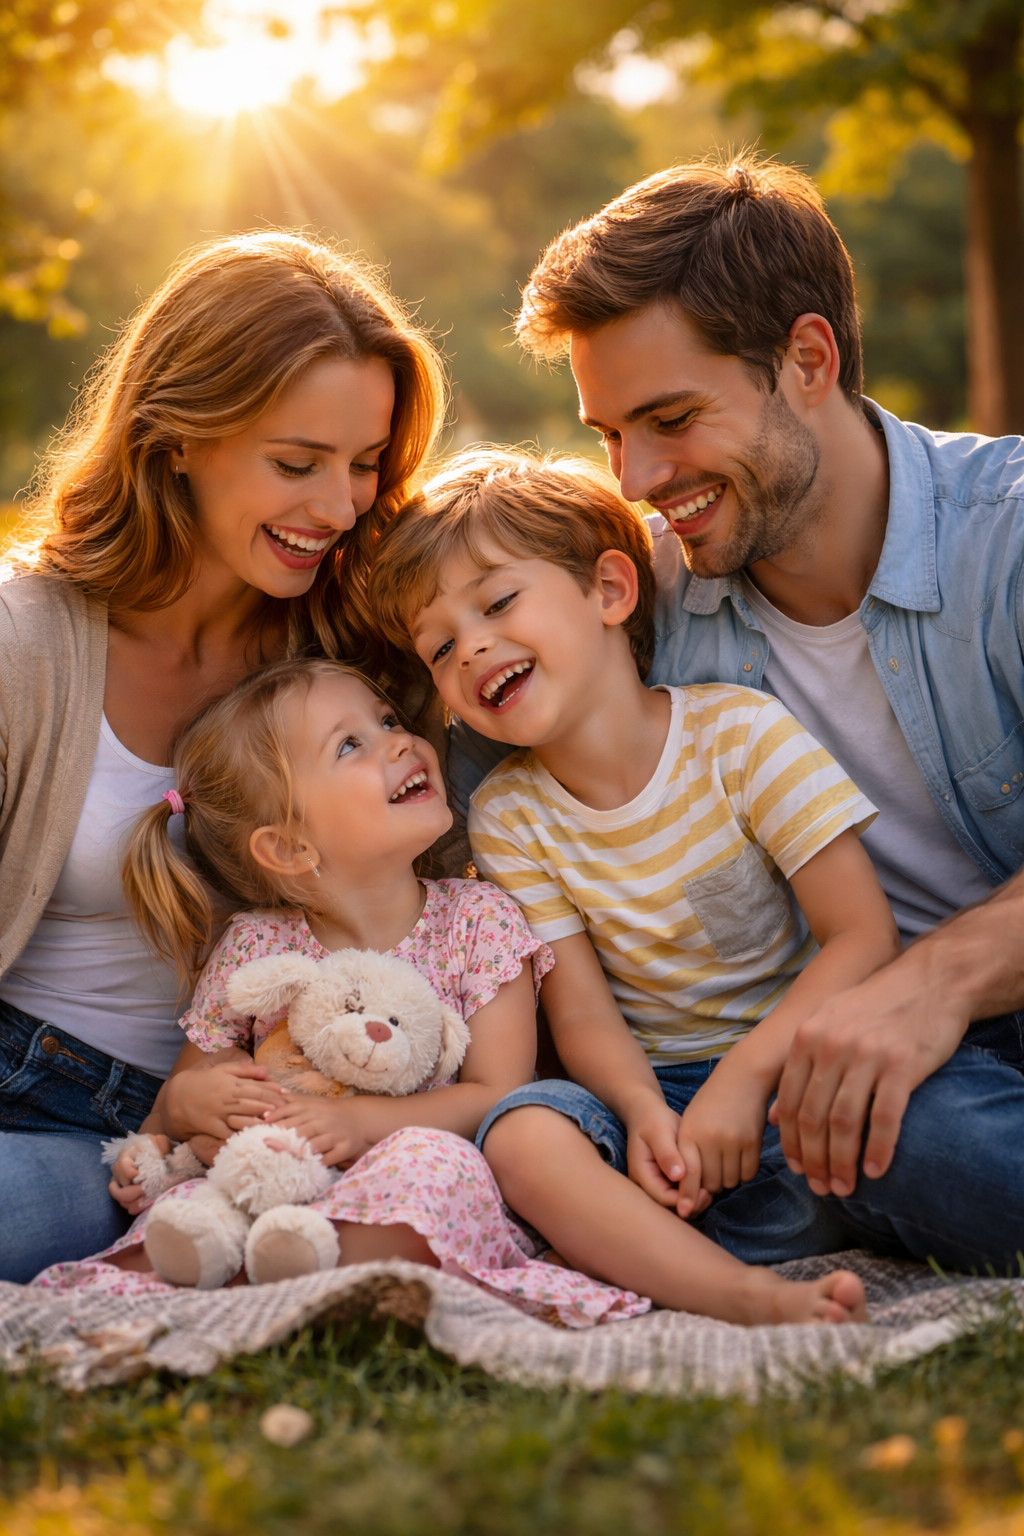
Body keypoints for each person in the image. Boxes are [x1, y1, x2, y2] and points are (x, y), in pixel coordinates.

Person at [448, 156, 1024, 1274]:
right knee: (897, 1133)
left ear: (807, 358)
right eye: (608, 432)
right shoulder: (638, 602)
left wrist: (933, 982)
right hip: (868, 1077)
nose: (636, 475)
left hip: (926, 1011)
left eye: (669, 418)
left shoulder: (1003, 537)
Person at [0, 229, 449, 1284]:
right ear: (174, 437)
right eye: (296, 464)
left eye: (363, 465)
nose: (337, 508)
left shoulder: (350, 654)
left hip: (214, 1133)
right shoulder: (26, 648)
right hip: (30, 1079)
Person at [367, 447, 905, 1324]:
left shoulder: (739, 737)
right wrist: (644, 1113)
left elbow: (863, 937)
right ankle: (737, 1290)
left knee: (924, 1125)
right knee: (525, 1134)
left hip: (800, 1066)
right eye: (439, 647)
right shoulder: (510, 815)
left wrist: (745, 1082)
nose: (472, 649)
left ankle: (689, 1239)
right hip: (656, 1099)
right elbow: (579, 1012)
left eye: (498, 602)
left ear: (611, 592)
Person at [38, 658, 648, 1331]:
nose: (401, 740)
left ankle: (257, 1290)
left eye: (386, 720)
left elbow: (495, 1096)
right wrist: (185, 1108)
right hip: (274, 1190)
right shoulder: (255, 947)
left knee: (436, 1165)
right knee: (193, 1202)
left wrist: (358, 1127)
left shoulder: (476, 920)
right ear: (290, 847)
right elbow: (178, 1105)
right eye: (350, 744)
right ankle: (188, 1283)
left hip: (408, 1187)